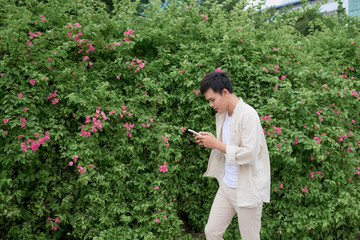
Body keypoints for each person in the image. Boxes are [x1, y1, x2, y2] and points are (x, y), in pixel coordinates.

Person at [193, 71, 270, 240]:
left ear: (225, 92)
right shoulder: (222, 115)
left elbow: (249, 154)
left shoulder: (248, 115)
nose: (211, 105)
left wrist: (217, 144)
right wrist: (209, 141)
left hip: (247, 189)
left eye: (212, 99)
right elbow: (226, 146)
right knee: (212, 232)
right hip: (227, 186)